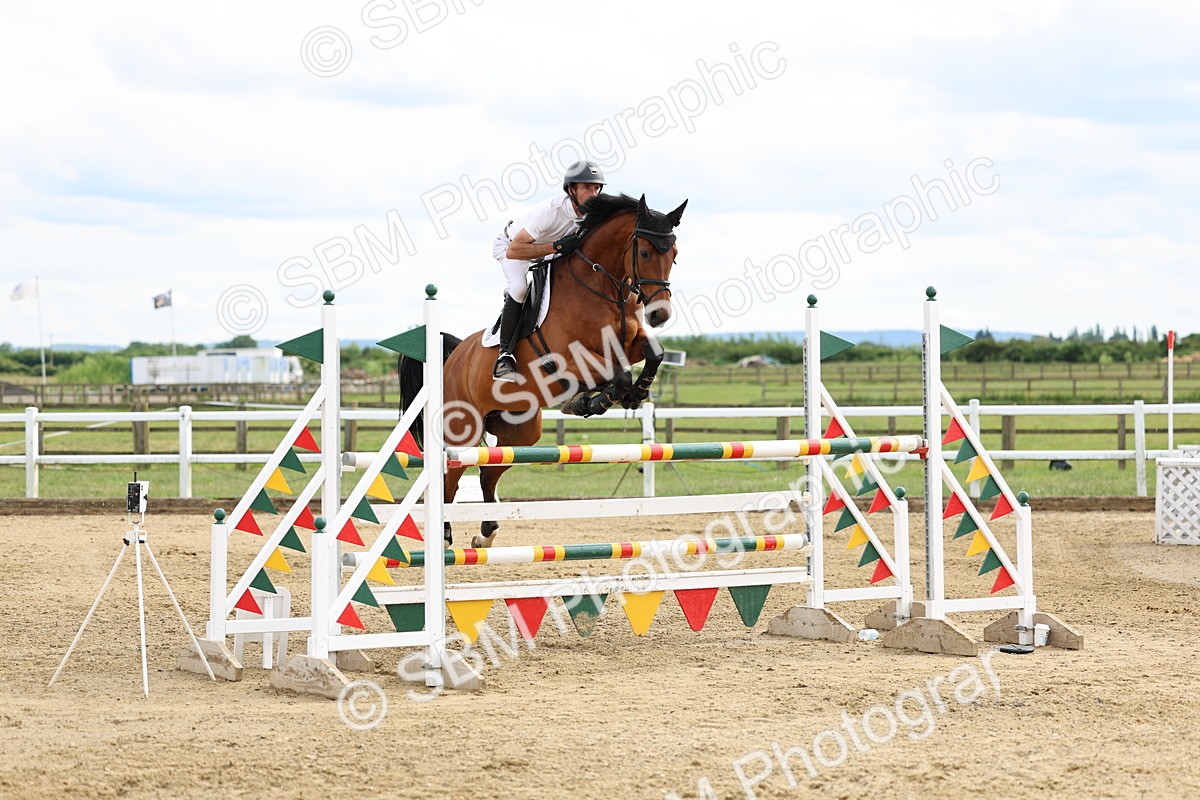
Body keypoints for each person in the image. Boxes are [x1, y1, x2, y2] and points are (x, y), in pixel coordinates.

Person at [490, 160, 606, 381]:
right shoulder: (550, 211)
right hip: (512, 247)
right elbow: (514, 251)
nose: (593, 194)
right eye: (586, 188)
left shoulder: (590, 214)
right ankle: (504, 357)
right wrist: (557, 247)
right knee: (519, 288)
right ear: (571, 190)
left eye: (596, 188)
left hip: (546, 252)